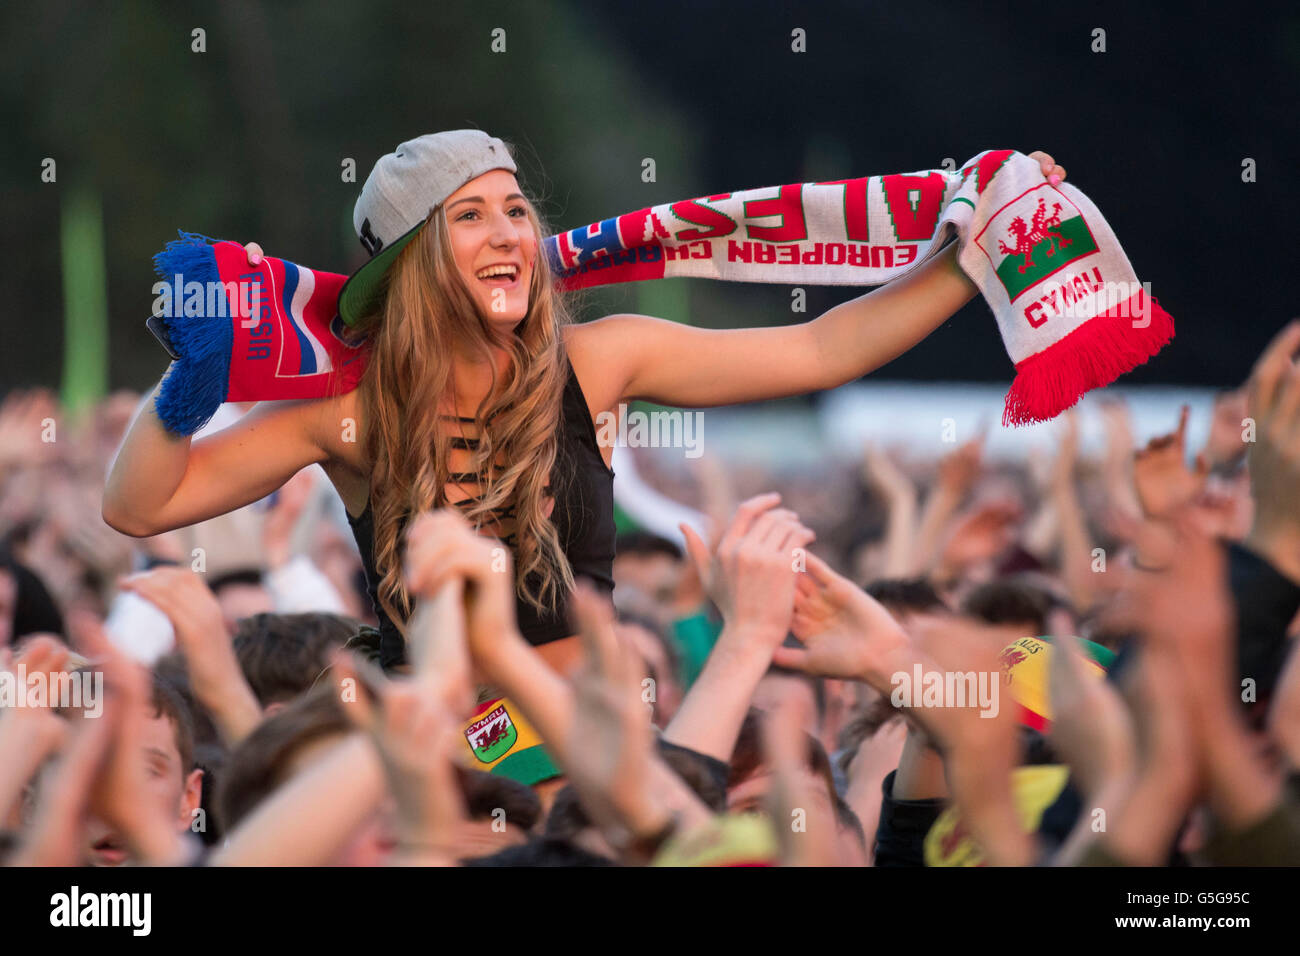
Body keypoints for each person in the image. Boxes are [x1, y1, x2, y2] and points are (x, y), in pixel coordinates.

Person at [103, 129, 1069, 677]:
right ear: (410, 270)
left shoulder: (601, 361)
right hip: (450, 778)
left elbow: (824, 347)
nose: (510, 233)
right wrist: (184, 395)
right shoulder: (350, 415)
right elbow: (138, 507)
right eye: (470, 216)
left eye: (517, 210)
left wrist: (967, 252)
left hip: (600, 765)